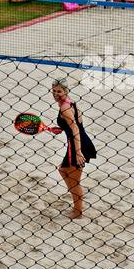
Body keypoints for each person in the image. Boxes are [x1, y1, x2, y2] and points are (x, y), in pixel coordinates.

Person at [42, 80, 95, 219]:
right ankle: (76, 200)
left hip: (77, 145)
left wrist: (78, 152)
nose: (55, 94)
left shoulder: (65, 108)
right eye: (53, 91)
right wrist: (60, 128)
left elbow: (76, 129)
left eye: (59, 91)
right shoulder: (70, 103)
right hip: (80, 142)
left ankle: (78, 212)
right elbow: (76, 124)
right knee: (63, 170)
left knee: (74, 180)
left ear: (66, 91)